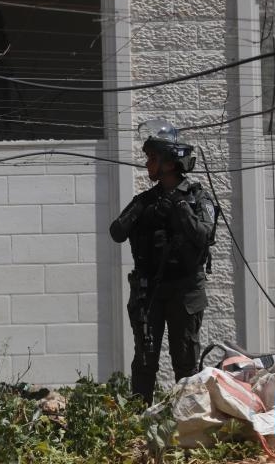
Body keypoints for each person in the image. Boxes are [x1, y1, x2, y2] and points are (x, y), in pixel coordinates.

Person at [109, 119, 217, 404]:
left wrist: (179, 207)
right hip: (150, 292)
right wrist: (140, 209)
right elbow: (117, 233)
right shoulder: (146, 200)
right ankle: (137, 422)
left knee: (185, 362)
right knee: (144, 362)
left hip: (185, 291)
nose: (148, 165)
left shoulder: (196, 199)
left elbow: (204, 235)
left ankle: (188, 420)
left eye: (153, 159)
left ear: (169, 163)